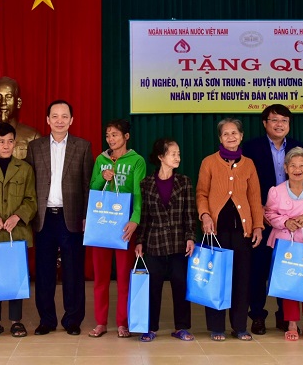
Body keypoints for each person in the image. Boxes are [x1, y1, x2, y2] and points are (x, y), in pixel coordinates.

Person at [25, 100, 94, 336]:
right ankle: (46, 320)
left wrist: (86, 215)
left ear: (71, 120)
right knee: (44, 271)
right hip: (44, 217)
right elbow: (29, 184)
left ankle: (72, 319)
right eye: (55, 116)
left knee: (73, 271)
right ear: (48, 120)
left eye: (64, 116)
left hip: (71, 216)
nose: (59, 120)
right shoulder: (35, 147)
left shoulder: (82, 146)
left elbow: (87, 185)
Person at [196, 118, 263, 342]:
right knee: (216, 278)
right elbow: (201, 193)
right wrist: (205, 215)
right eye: (226, 134)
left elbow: (255, 198)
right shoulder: (209, 162)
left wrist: (257, 226)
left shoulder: (249, 164)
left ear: (241, 136)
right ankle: (217, 327)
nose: (231, 137)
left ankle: (240, 326)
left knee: (241, 280)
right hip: (216, 232)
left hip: (242, 233)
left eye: (234, 133)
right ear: (220, 138)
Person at [241, 103, 303, 334]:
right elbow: (243, 182)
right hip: (261, 218)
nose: (280, 124)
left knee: (286, 267)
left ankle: (284, 316)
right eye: (275, 120)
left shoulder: (298, 146)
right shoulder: (251, 148)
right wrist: (258, 210)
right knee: (258, 270)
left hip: (290, 221)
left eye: (284, 121)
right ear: (265, 123)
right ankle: (257, 316)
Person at [88, 119, 146, 338]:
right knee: (100, 277)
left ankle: (123, 322)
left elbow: (139, 193)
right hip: (102, 224)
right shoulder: (100, 160)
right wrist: (101, 177)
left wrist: (135, 219)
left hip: (124, 226)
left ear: (126, 137)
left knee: (124, 277)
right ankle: (100, 322)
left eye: (115, 135)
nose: (110, 139)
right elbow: (92, 189)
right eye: (108, 135)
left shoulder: (136, 160)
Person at [135, 138, 196, 342]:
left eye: (178, 154)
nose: (177, 157)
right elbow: (144, 216)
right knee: (153, 286)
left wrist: (190, 237)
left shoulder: (184, 181)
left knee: (180, 284)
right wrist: (139, 241)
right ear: (161, 156)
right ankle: (150, 327)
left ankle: (182, 327)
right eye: (173, 154)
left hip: (179, 242)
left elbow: (190, 213)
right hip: (154, 242)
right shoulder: (146, 184)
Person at [0, 122, 38, 338]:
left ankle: (16, 321)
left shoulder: (25, 169)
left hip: (17, 231)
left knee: (16, 276)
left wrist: (17, 216)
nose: (6, 145)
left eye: (10, 141)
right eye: (1, 141)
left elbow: (32, 200)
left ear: (15, 143)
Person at [264, 147, 303, 342]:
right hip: (286, 245)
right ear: (285, 168)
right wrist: (285, 222)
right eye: (293, 165)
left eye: (301, 166)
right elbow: (269, 214)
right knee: (288, 284)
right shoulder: (276, 191)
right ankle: (291, 324)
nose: (297, 169)